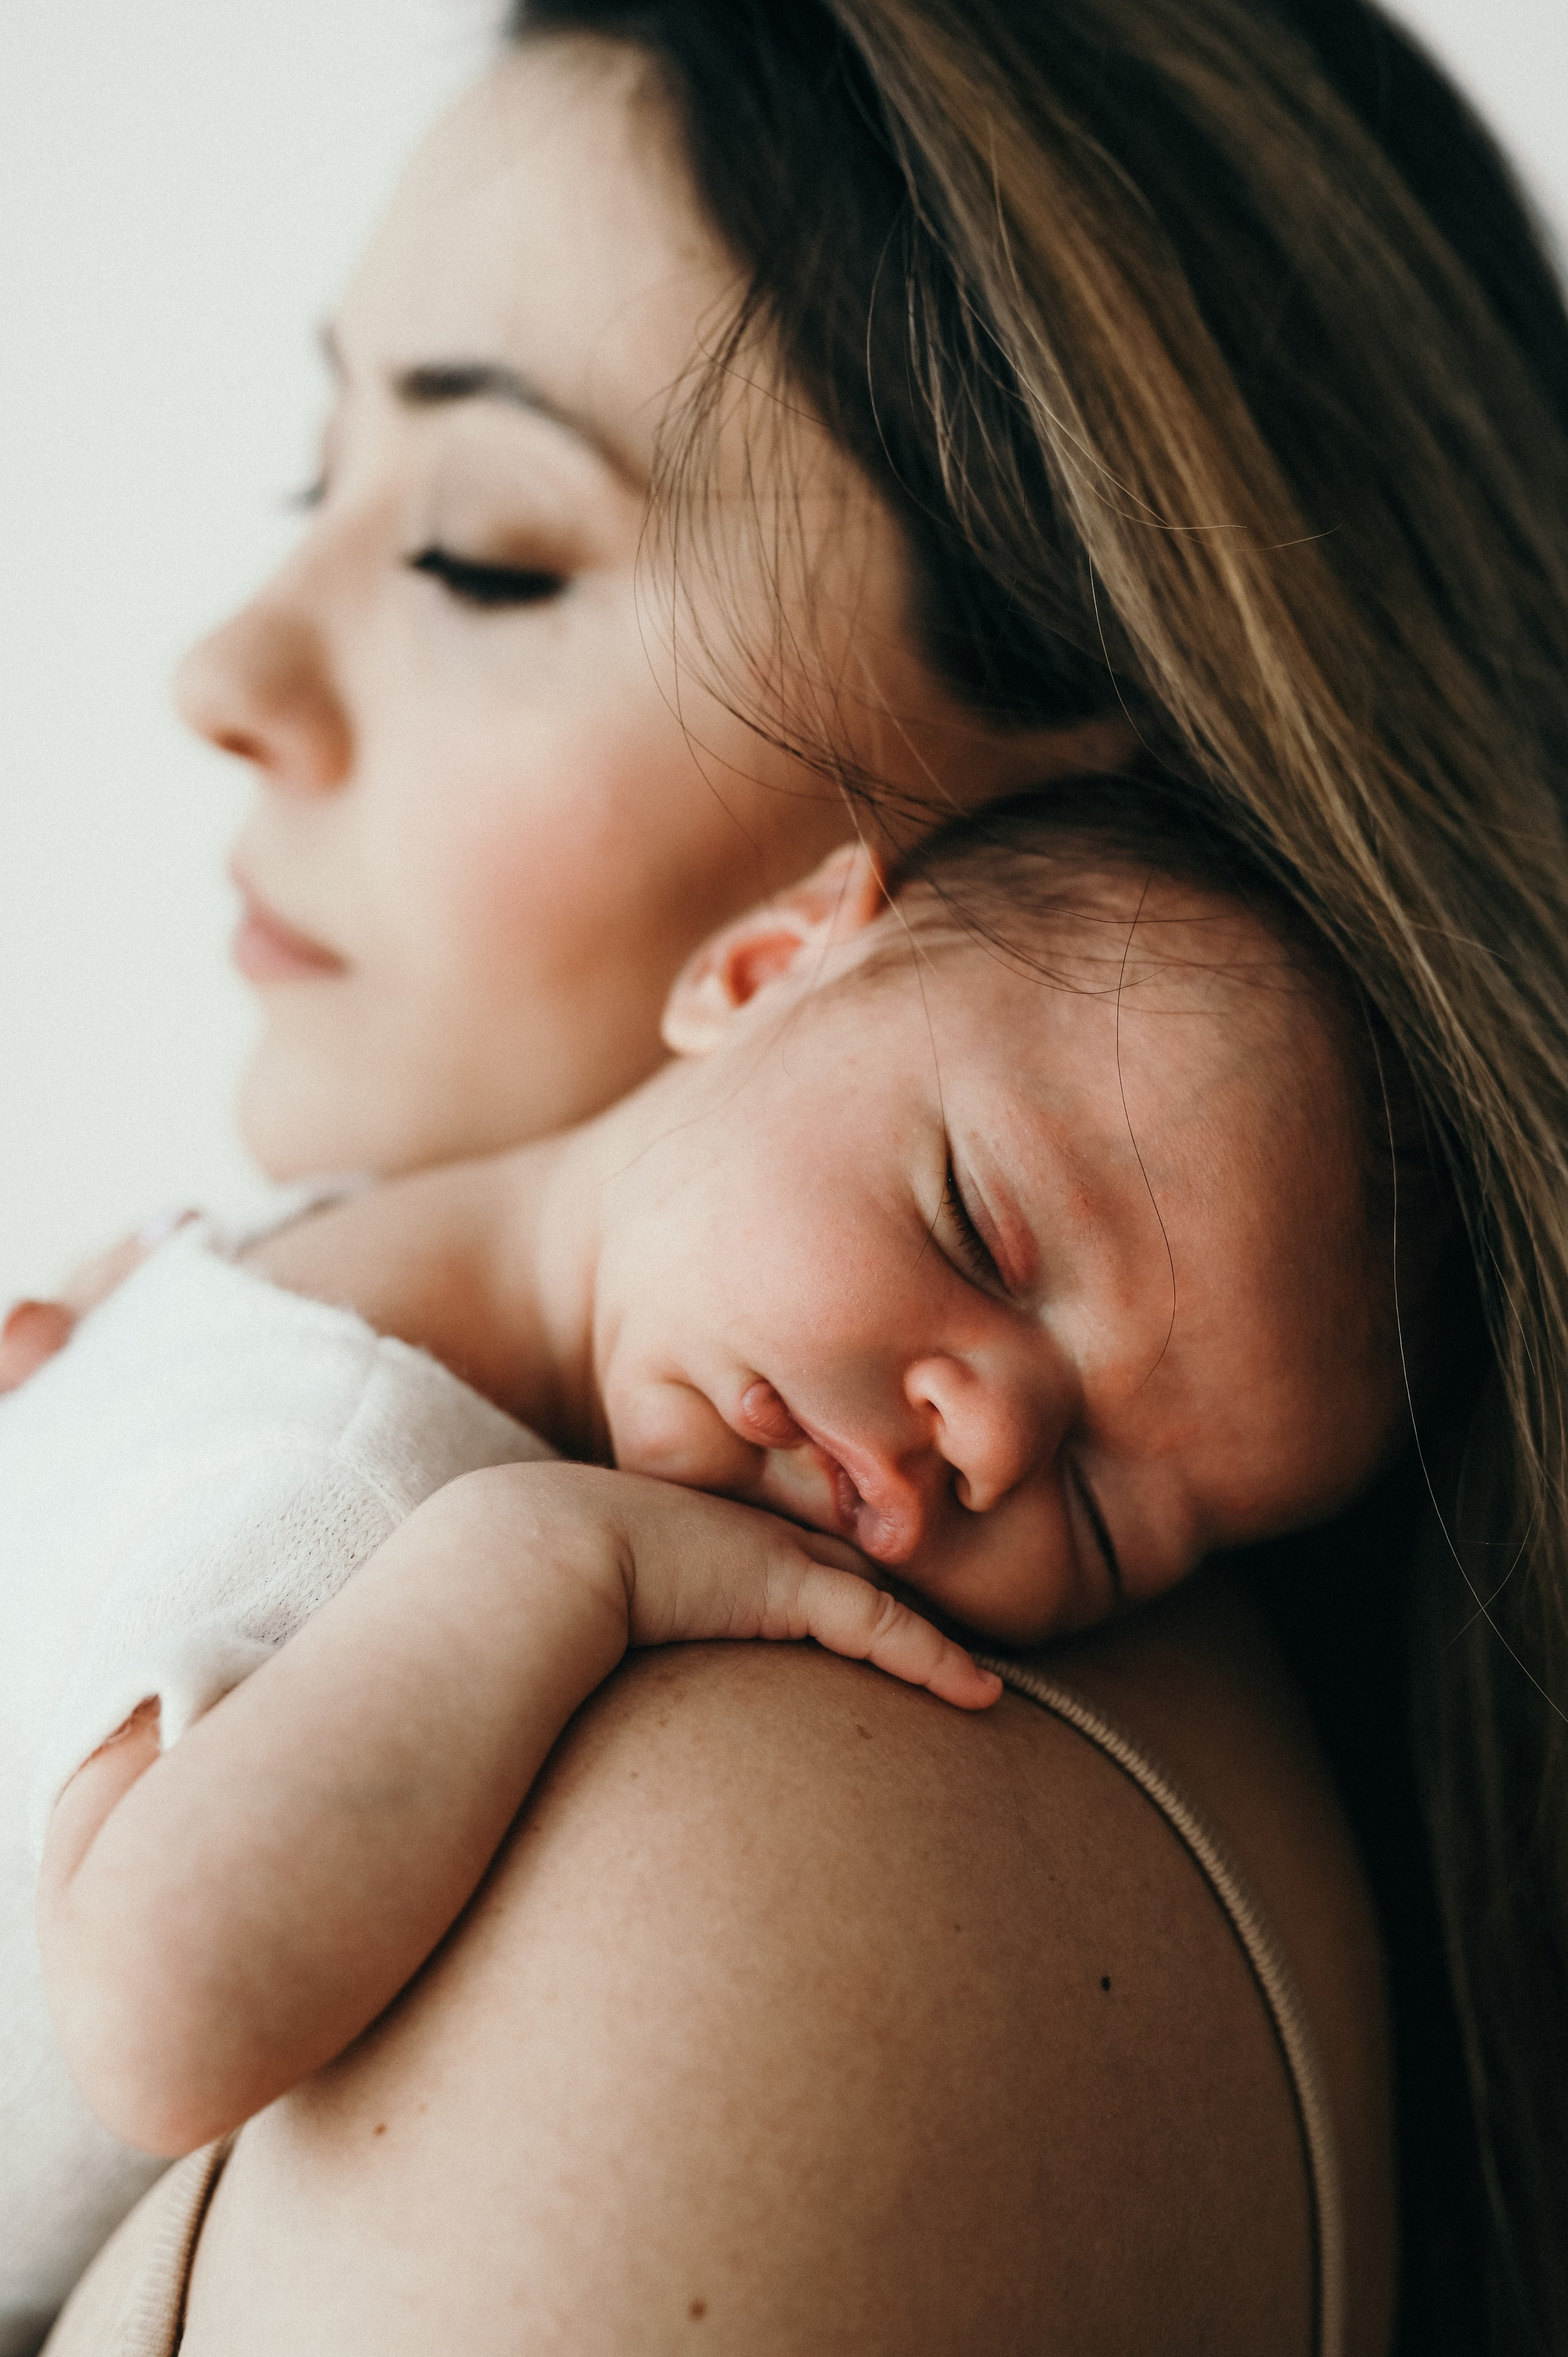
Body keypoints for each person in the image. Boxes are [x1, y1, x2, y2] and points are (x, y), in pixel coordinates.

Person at [17, 0, 1568, 2348]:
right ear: (772, 974)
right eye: (313, 480)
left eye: (486, 551)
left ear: (1065, 754)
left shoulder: (777, 1832)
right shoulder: (336, 1384)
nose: (222, 671)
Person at [12, 798, 1419, 2274]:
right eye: (977, 1231)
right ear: (755, 969)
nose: (990, 1444)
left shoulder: (321, 1291)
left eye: (1097, 1515)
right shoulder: (374, 1502)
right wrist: (547, 1558)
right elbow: (150, 2015)